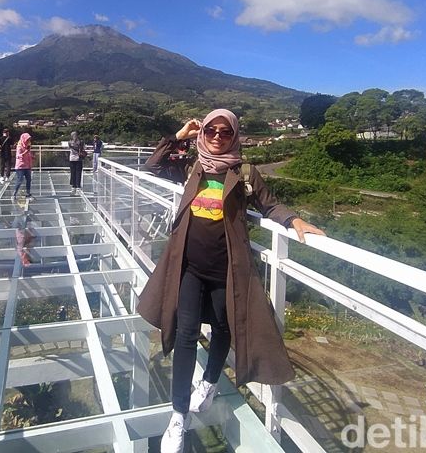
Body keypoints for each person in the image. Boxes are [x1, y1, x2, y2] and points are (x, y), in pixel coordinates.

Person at [136, 110, 325, 453]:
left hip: (226, 268)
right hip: (189, 267)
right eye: (212, 130)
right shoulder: (192, 164)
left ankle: (208, 382)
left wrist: (294, 220)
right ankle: (178, 415)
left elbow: (269, 206)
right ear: (203, 132)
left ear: (234, 135)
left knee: (224, 327)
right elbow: (151, 166)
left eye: (225, 132)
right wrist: (179, 135)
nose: (218, 137)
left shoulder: (244, 172)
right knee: (185, 334)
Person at [12, 132, 33, 201]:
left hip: (27, 165)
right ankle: (14, 194)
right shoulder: (19, 146)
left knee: (29, 180)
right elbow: (18, 156)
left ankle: (28, 193)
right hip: (20, 167)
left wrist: (31, 156)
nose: (28, 141)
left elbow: (28, 154)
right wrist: (26, 152)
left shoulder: (27, 146)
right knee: (20, 180)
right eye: (27, 139)